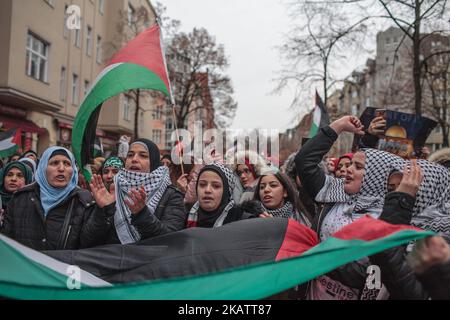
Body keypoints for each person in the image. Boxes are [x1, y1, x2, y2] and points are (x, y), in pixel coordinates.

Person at [2, 147, 113, 250]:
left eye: (67, 163)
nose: (61, 168)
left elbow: (89, 244)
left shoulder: (84, 201)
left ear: (73, 170)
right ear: (43, 168)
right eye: (54, 163)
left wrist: (101, 211)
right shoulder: (20, 199)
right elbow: (7, 245)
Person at [90, 138, 187, 244]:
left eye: (143, 155)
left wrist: (142, 214)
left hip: (149, 259)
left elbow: (170, 240)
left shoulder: (172, 196)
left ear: (154, 161)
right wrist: (103, 211)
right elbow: (89, 241)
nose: (134, 159)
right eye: (130, 155)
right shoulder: (111, 191)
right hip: (111, 258)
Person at [187, 163, 255, 228]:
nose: (207, 190)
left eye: (216, 186)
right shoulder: (185, 219)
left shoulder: (243, 220)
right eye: (202, 185)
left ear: (226, 192)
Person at [241, 168, 311, 226]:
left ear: (285, 192)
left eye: (273, 185)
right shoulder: (248, 218)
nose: (266, 190)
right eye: (262, 187)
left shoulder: (301, 220)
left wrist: (275, 227)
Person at [0, 161, 33, 226]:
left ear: (27, 180)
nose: (13, 179)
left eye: (19, 175)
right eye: (9, 175)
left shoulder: (34, 203)